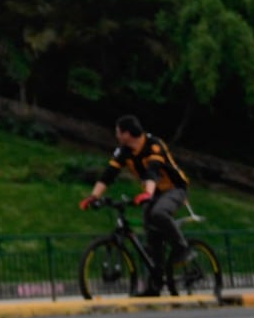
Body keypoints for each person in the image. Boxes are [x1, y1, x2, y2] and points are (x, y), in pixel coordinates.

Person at [80, 114, 191, 296]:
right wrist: (93, 197)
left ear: (126, 133)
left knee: (159, 213)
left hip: (174, 188)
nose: (116, 135)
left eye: (117, 132)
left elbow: (153, 171)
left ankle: (182, 248)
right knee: (152, 239)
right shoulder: (123, 151)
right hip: (152, 192)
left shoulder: (154, 145)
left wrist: (147, 194)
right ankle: (153, 287)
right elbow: (109, 174)